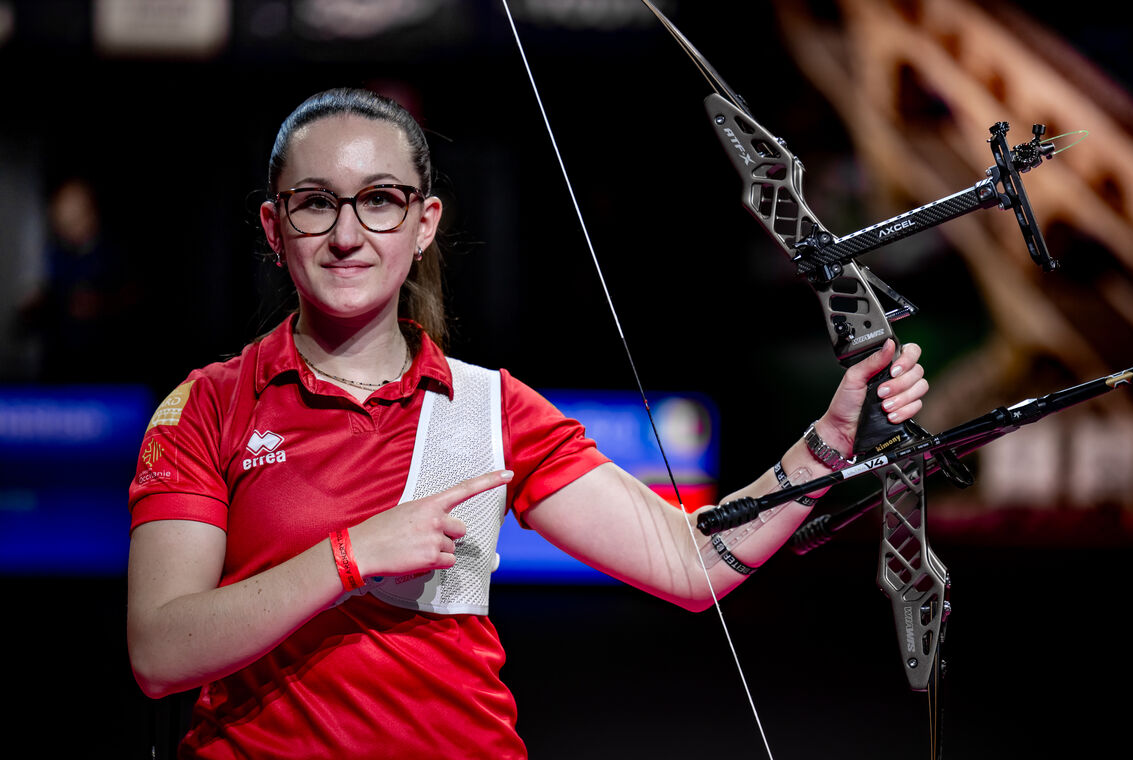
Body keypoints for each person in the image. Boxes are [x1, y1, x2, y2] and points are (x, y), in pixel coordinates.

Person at [126, 88, 929, 759]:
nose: (347, 234)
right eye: (314, 205)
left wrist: (829, 440)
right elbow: (161, 653)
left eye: (380, 201)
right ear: (274, 229)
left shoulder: (491, 408)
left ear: (424, 221)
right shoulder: (208, 406)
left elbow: (691, 563)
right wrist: (351, 554)